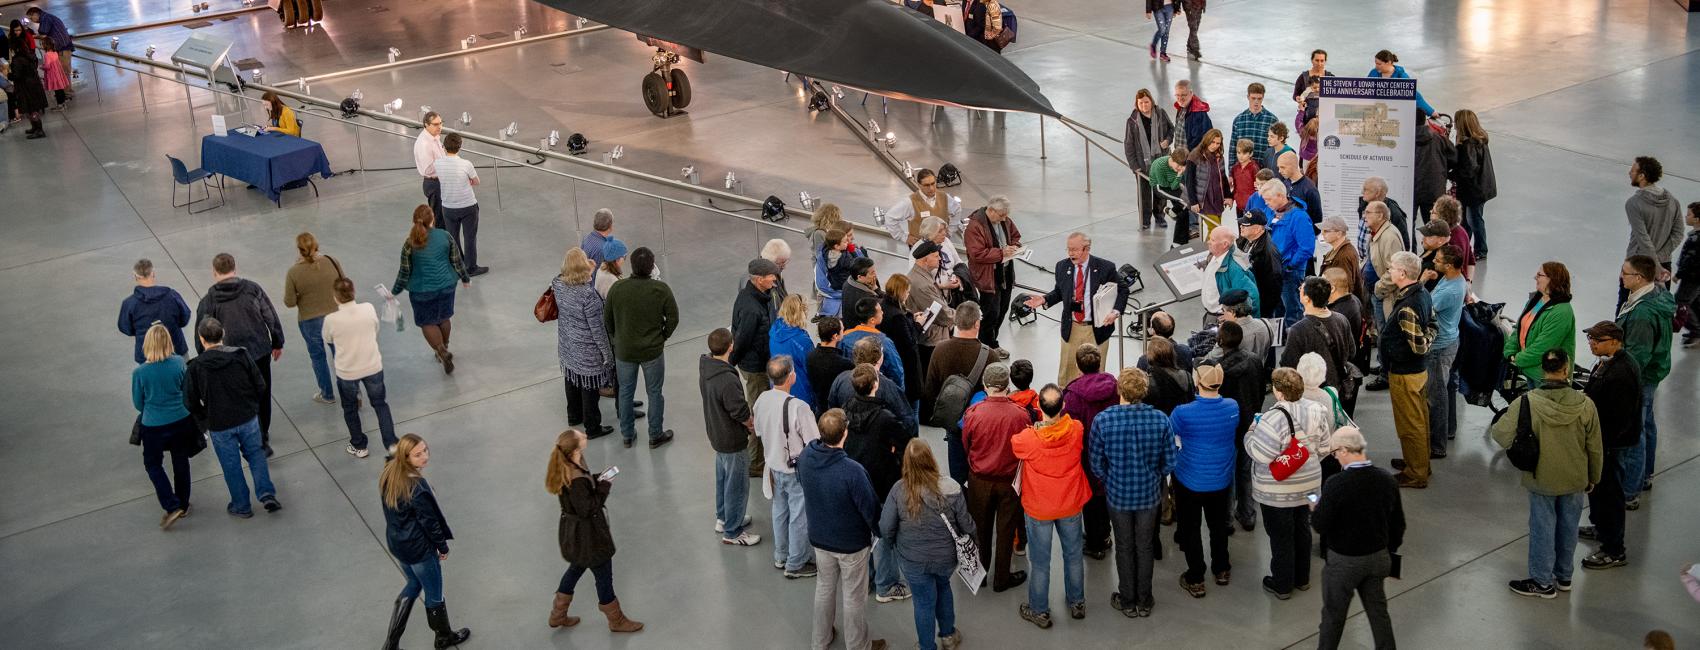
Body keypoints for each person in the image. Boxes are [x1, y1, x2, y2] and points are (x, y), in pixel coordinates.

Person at [1492, 349, 1603, 599]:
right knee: (1568, 527)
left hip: (1541, 477)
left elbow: (1499, 434)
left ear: (1543, 370)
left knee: (1542, 527)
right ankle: (1564, 577)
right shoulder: (1586, 404)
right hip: (1575, 478)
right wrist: (1593, 476)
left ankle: (1542, 582)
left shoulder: (1527, 402)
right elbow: (1595, 446)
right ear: (1566, 370)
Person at [1088, 368, 1176, 616]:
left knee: (1124, 546)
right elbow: (1170, 462)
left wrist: (1111, 478)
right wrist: (1155, 474)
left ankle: (1127, 600)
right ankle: (1145, 600)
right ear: (1144, 391)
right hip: (1149, 495)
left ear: (1120, 390)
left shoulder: (1103, 420)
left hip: (1117, 495)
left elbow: (1096, 463)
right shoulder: (1160, 420)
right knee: (1145, 546)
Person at [798, 408, 889, 650]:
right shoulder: (852, 471)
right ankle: (858, 645)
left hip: (819, 537)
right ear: (845, 433)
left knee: (824, 588)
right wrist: (881, 532)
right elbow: (870, 509)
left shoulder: (806, 456)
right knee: (853, 596)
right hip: (851, 544)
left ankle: (821, 639)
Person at [544, 429, 644, 633]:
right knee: (604, 576)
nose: (584, 436)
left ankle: (558, 614)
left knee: (576, 568)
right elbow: (588, 508)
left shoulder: (569, 464)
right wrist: (605, 485)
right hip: (589, 537)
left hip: (576, 536)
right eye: (580, 437)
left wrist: (597, 479)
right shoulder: (576, 478)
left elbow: (581, 494)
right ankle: (616, 620)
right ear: (575, 448)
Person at [1312, 428, 1403, 650]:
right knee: (1379, 614)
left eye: (1334, 453)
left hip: (1344, 562)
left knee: (1333, 617)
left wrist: (1315, 508)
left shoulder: (1336, 484)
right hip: (1378, 558)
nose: (1335, 458)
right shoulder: (1386, 479)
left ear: (1344, 449)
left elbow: (1320, 525)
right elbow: (1399, 524)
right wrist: (1385, 549)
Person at [378, 434, 471, 649]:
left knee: (413, 583)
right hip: (420, 550)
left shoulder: (389, 474)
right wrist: (442, 546)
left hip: (399, 545)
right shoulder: (416, 487)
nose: (425, 457)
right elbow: (430, 522)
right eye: (418, 454)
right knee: (434, 593)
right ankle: (443, 637)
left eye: (425, 450)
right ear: (406, 457)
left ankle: (391, 642)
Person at [1012, 385, 1093, 628]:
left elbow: (1015, 444)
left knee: (1040, 561)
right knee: (1073, 555)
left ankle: (1039, 610)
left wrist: (1036, 427)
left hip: (1039, 507)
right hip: (1069, 503)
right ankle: (1077, 601)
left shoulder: (1029, 439)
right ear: (1064, 406)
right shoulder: (1076, 429)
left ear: (1038, 408)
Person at [185, 318, 280, 518]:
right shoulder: (241, 355)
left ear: (202, 340)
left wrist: (205, 418)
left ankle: (241, 505)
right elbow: (260, 384)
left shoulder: (195, 367)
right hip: (247, 417)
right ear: (223, 334)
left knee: (231, 465)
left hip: (219, 424)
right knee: (256, 455)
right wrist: (252, 405)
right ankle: (266, 493)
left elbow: (190, 401)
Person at [1245, 368, 1328, 599]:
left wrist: (1250, 433)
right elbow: (1323, 448)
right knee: (1303, 527)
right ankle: (1302, 578)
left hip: (1276, 493)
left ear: (1278, 392)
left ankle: (1282, 583)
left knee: (1281, 536)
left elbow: (1260, 454)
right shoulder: (1316, 409)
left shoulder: (1272, 418)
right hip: (1311, 488)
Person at [880, 439, 971, 650]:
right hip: (946, 558)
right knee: (943, 588)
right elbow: (965, 523)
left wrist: (895, 545)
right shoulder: (950, 487)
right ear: (931, 459)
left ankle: (926, 646)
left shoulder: (899, 490)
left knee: (923, 602)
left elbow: (886, 528)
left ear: (906, 463)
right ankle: (948, 636)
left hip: (912, 560)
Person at [195, 253, 285, 454]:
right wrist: (277, 341)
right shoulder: (253, 289)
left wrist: (204, 358)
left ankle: (250, 437)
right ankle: (263, 437)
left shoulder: (209, 301)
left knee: (241, 398)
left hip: (230, 360)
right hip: (259, 352)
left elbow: (202, 332)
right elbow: (269, 315)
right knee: (262, 394)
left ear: (214, 272)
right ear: (234, 268)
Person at [843, 363, 915, 603]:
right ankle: (887, 584)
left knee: (862, 529)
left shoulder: (845, 410)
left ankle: (868, 580)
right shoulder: (885, 418)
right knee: (884, 531)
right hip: (882, 479)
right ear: (876, 384)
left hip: (855, 477)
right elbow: (905, 441)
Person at [1024, 233, 1130, 386]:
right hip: (1072, 327)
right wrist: (1045, 299)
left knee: (1095, 375)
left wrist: (1115, 312)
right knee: (1067, 374)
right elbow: (1060, 292)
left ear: (1086, 249)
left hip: (1096, 329)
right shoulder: (1062, 266)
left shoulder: (1105, 267)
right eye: (1068, 249)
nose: (1070, 253)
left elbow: (1123, 290)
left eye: (1074, 249)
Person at [1169, 363, 1237, 597]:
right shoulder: (1232, 407)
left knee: (1190, 528)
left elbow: (1172, 436)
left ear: (1198, 383)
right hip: (1221, 477)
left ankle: (1196, 576)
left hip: (1189, 478)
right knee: (1218, 525)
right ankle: (1221, 568)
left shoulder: (1182, 412)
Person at [1577, 321, 1641, 570]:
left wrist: (1598, 445)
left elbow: (1617, 418)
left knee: (1610, 495)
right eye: (1590, 339)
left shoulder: (1621, 373)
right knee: (1598, 491)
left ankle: (1614, 550)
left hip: (1610, 445)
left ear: (1615, 341)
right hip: (1603, 442)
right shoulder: (1609, 362)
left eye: (1597, 339)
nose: (1592, 343)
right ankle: (1600, 527)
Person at [961, 362, 1029, 592]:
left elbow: (966, 444)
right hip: (1010, 481)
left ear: (985, 385)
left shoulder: (974, 413)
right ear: (1007, 385)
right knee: (1006, 528)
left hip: (980, 479)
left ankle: (980, 574)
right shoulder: (1020, 415)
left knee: (980, 528)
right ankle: (1002, 578)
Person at [1615, 255, 1675, 502]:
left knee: (1634, 432)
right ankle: (1645, 474)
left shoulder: (1641, 315)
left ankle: (1630, 491)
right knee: (1647, 423)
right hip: (1655, 371)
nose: (1621, 277)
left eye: (1625, 273)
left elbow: (1637, 356)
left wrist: (1619, 376)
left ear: (1639, 278)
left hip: (1641, 377)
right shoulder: (1656, 295)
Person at [757, 356, 825, 577]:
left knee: (780, 510)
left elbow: (757, 430)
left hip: (774, 467)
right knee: (799, 516)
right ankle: (796, 563)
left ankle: (781, 554)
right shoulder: (798, 407)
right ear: (791, 376)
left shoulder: (762, 400)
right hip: (795, 471)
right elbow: (814, 442)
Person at [605, 246, 677, 445]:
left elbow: (607, 319)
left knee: (626, 392)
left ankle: (627, 434)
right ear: (652, 266)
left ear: (632, 265)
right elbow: (673, 317)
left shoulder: (617, 289)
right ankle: (655, 435)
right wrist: (662, 336)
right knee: (654, 392)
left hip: (624, 350)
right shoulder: (660, 289)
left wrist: (616, 339)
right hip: (652, 351)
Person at [554, 248, 623, 444]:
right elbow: (598, 331)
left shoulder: (558, 283)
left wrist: (586, 271)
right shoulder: (588, 296)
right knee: (589, 388)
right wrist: (608, 356)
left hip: (567, 344)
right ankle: (592, 427)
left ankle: (574, 415)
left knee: (571, 379)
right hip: (587, 351)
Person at [322, 278, 396, 458]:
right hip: (372, 366)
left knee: (350, 407)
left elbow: (328, 339)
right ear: (353, 292)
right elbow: (375, 328)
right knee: (380, 405)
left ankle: (359, 445)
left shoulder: (331, 319)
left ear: (335, 297)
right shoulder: (368, 308)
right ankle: (392, 444)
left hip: (347, 372)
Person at [700, 328, 761, 546]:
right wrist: (751, 425)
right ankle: (733, 531)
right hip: (732, 438)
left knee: (723, 477)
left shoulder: (707, 367)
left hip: (716, 433)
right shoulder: (726, 379)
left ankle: (724, 517)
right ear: (731, 346)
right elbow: (740, 411)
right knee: (737, 483)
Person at [131, 324, 196, 530]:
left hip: (153, 425)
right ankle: (183, 505)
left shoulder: (140, 372)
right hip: (181, 419)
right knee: (180, 460)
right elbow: (185, 389)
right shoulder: (178, 363)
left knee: (153, 464)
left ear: (146, 344)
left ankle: (170, 504)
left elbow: (138, 403)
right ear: (169, 342)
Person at [392, 206, 470, 373]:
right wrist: (465, 278)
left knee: (428, 322)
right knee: (444, 317)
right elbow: (456, 260)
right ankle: (445, 346)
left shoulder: (410, 243)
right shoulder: (445, 235)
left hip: (422, 289)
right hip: (447, 285)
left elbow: (405, 271)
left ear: (415, 220)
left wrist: (394, 291)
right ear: (432, 218)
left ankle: (440, 350)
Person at [1060, 344, 1119, 561]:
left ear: (1078, 365)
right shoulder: (1115, 386)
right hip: (1112, 450)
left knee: (1091, 498)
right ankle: (1104, 534)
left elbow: (1069, 427)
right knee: (1106, 494)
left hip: (1086, 453)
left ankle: (1096, 544)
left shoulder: (1073, 395)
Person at [1380, 252, 1434, 489]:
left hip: (1406, 374)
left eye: (1392, 268)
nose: (1389, 271)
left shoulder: (1407, 307)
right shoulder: (1422, 293)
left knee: (1410, 424)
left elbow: (1420, 346)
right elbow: (1433, 324)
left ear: (1402, 273)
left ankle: (1416, 473)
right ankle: (1418, 462)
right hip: (1417, 372)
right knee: (1419, 419)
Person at [924, 303, 992, 485]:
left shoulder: (940, 350)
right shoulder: (990, 355)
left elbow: (930, 390)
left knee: (957, 473)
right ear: (977, 324)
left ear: (955, 321)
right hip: (980, 424)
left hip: (954, 422)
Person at [1214, 321, 1268, 531]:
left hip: (1228, 429)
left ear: (1220, 341)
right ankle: (1247, 514)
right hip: (1250, 423)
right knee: (1246, 471)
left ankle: (1226, 520)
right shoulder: (1255, 361)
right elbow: (1261, 389)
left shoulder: (1219, 369)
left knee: (1227, 473)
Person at [732, 258, 781, 474]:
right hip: (755, 368)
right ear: (759, 279)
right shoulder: (752, 308)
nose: (775, 280)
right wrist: (731, 363)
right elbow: (742, 340)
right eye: (771, 277)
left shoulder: (758, 295)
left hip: (759, 363)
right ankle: (756, 462)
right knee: (758, 412)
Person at [283, 232, 343, 405]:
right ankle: (352, 393)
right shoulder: (332, 261)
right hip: (335, 315)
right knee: (340, 353)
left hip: (310, 320)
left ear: (299, 250)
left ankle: (327, 394)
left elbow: (289, 302)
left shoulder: (293, 272)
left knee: (318, 357)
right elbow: (343, 283)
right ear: (317, 245)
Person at [1622, 156, 1686, 305]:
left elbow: (1642, 239)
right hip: (1664, 265)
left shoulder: (1633, 203)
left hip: (1637, 267)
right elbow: (1678, 233)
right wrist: (1660, 259)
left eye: (1633, 170)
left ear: (1642, 175)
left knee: (1626, 312)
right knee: (1660, 311)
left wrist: (1654, 266)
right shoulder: (1673, 201)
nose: (1629, 173)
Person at [964, 196, 1023, 349]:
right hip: (988, 277)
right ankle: (986, 346)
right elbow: (976, 254)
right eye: (1001, 215)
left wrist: (1014, 246)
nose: (1004, 219)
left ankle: (992, 343)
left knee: (1002, 309)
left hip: (1005, 274)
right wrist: (1002, 253)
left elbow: (1015, 236)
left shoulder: (1004, 220)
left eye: (1005, 215)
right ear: (991, 210)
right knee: (990, 314)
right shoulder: (975, 226)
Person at [1424, 246, 1466, 459]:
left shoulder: (1450, 290)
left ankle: (1437, 446)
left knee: (1436, 397)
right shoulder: (1454, 279)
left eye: (1438, 261)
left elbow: (1424, 308)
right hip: (1449, 341)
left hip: (1439, 348)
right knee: (1446, 390)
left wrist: (1422, 280)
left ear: (1449, 266)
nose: (1434, 263)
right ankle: (1449, 430)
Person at [1280, 277, 1356, 393]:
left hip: (1313, 390)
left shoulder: (1298, 330)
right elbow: (1352, 351)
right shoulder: (1341, 319)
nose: (1299, 289)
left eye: (1301, 288)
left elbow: (1288, 364)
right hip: (1339, 387)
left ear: (1307, 298)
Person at [1504, 261, 1575, 385]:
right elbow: (1520, 327)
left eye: (1539, 275)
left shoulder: (1562, 312)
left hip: (1546, 378)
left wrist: (1518, 359)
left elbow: (1543, 346)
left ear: (1552, 279)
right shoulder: (1536, 300)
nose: (1535, 278)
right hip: (1530, 369)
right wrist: (1510, 351)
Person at [827, 338, 917, 435]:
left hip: (847, 441)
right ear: (879, 359)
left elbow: (833, 412)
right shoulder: (889, 387)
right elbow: (907, 422)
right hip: (878, 443)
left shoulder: (841, 379)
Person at [119, 259, 192, 364]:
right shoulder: (172, 296)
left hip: (147, 355)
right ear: (153, 273)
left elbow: (125, 328)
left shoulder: (129, 304)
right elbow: (185, 317)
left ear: (135, 277)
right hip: (176, 349)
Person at [1263, 182, 1315, 327]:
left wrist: (1290, 266)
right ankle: (1280, 338)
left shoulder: (1299, 217)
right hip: (1274, 271)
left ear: (1280, 195)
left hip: (1290, 273)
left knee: (1292, 309)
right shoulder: (1271, 212)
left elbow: (1307, 248)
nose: (1266, 203)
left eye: (1268, 199)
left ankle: (1294, 340)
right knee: (1277, 309)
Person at [435, 133, 488, 277]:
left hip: (448, 206)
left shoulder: (437, 163)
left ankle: (457, 266)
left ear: (444, 147)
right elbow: (476, 181)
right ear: (460, 146)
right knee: (470, 237)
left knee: (453, 238)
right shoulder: (466, 164)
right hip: (467, 206)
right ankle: (471, 267)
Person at [908, 241, 960, 377]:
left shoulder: (920, 275)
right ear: (926, 260)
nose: (940, 259)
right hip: (931, 340)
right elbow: (941, 313)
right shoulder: (921, 284)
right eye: (936, 256)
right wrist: (962, 316)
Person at [1363, 202, 1405, 372]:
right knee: (1381, 332)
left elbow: (1396, 268)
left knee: (1385, 334)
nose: (1364, 216)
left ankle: (1386, 373)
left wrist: (1379, 288)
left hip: (1384, 294)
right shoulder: (1376, 233)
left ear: (1380, 215)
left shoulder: (1389, 237)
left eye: (1368, 212)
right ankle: (1383, 364)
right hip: (1377, 293)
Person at [1450, 109, 1497, 259]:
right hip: (1482, 187)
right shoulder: (1480, 140)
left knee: (1473, 220)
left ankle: (1480, 250)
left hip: (1473, 190)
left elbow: (1468, 170)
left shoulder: (1467, 145)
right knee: (1469, 220)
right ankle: (1464, 248)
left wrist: (1450, 174)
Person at [1127, 89, 1177, 225]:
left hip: (1161, 160)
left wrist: (1167, 140)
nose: (1144, 105)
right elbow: (1129, 145)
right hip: (1142, 164)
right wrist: (1134, 166)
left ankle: (1160, 216)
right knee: (1144, 194)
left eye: (1146, 102)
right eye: (1141, 103)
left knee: (1161, 191)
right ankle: (1145, 220)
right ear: (1137, 104)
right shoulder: (1132, 121)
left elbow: (1172, 129)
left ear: (1151, 101)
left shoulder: (1160, 113)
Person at [883, 168, 962, 247]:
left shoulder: (944, 197)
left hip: (942, 245)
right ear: (919, 185)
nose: (931, 188)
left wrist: (950, 232)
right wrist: (903, 237)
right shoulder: (911, 202)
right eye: (926, 185)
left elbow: (957, 210)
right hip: (921, 249)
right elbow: (890, 217)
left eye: (933, 183)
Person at [844, 298, 908, 390]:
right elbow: (896, 372)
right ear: (872, 320)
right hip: (877, 387)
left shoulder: (846, 336)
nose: (882, 312)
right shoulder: (884, 342)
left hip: (852, 384)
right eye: (880, 311)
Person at [770, 295, 820, 411]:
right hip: (801, 393)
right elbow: (811, 368)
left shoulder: (774, 330)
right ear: (801, 312)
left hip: (779, 389)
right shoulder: (801, 340)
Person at [1184, 128, 1232, 240]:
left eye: (1218, 143)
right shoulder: (1194, 155)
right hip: (1203, 201)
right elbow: (1189, 181)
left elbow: (1223, 178)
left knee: (1215, 230)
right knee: (1215, 229)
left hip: (1217, 200)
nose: (1215, 145)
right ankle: (1209, 255)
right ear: (1207, 140)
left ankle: (1210, 254)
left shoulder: (1219, 157)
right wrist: (1193, 201)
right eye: (1213, 142)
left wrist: (1228, 196)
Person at [1201, 227, 1260, 319]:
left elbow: (1252, 296)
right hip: (1212, 314)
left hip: (1222, 318)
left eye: (1212, 240)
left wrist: (1235, 317)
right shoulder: (1215, 255)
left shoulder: (1235, 268)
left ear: (1225, 244)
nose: (1208, 242)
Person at [1238, 208, 1285, 319]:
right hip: (1249, 295)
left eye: (1245, 225)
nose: (1241, 227)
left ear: (1258, 229)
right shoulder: (1245, 239)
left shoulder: (1269, 253)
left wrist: (1264, 309)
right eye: (1241, 223)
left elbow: (1274, 285)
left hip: (1261, 303)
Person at [6, 22, 48, 139]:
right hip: (32, 83)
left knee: (32, 109)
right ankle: (35, 127)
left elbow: (17, 76)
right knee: (32, 108)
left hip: (26, 86)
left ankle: (39, 130)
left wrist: (8, 75)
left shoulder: (17, 60)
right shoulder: (30, 55)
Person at [1368, 50, 1435, 119]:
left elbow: (1414, 95)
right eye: (1376, 63)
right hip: (1378, 111)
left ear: (1389, 62)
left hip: (1396, 112)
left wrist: (1431, 112)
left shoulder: (1401, 76)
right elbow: (1366, 90)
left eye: (1379, 64)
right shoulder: (1373, 73)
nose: (1376, 66)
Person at [807, 317, 855, 411]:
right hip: (837, 410)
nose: (844, 332)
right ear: (835, 336)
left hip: (819, 407)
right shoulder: (844, 364)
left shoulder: (810, 356)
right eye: (842, 330)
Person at [1412, 120, 1454, 224]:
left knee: (1408, 222)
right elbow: (1454, 158)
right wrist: (1442, 170)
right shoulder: (1440, 139)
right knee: (1434, 223)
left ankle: (1411, 241)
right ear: (1425, 121)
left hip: (1410, 189)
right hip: (1434, 187)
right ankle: (1433, 240)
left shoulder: (1404, 140)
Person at [1319, 217, 1366, 308]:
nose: (1322, 233)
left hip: (1340, 307)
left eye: (1326, 231)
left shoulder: (1344, 256)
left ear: (1339, 234)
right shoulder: (1338, 251)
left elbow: (1345, 287)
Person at [1232, 83, 1280, 168]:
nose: (1256, 102)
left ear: (1263, 98)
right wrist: (1231, 171)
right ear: (1248, 97)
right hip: (1243, 170)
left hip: (1264, 171)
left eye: (1259, 98)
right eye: (1253, 98)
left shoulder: (1273, 120)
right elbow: (1233, 147)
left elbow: (1277, 147)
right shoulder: (1238, 120)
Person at [1142, 337, 1194, 416]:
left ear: (1150, 356)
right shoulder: (1186, 376)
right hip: (1182, 420)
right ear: (1172, 354)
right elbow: (1191, 401)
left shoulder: (1148, 381)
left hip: (1160, 422)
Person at [1357, 178, 1410, 255]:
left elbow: (1404, 243)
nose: (1362, 192)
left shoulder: (1394, 213)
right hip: (1365, 260)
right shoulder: (1364, 204)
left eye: (1365, 189)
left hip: (1380, 261)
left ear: (1377, 193)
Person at [413, 111, 447, 227]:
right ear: (426, 125)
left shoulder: (434, 137)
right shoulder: (424, 143)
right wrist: (446, 164)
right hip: (434, 183)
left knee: (444, 217)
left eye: (441, 123)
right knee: (439, 219)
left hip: (440, 181)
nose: (440, 127)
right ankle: (440, 242)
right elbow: (428, 169)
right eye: (436, 124)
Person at [1146, 149, 1189, 231]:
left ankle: (1172, 212)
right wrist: (1178, 178)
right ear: (1172, 160)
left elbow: (1173, 186)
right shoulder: (1160, 165)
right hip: (1159, 187)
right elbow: (1163, 184)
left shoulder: (1178, 168)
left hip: (1171, 185)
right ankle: (1172, 214)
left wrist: (1179, 175)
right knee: (1184, 199)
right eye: (1178, 165)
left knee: (1189, 197)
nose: (1180, 168)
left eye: (1182, 166)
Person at [1679, 202, 1700, 346]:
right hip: (1695, 277)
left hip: (1691, 277)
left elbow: (1690, 260)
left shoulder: (1696, 239)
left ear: (1697, 219)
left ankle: (1696, 331)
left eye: (1689, 214)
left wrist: (1678, 274)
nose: (1686, 217)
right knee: (1695, 302)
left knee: (1681, 301)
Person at [1173, 80, 1213, 150]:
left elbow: (1200, 139)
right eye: (1177, 95)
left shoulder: (1199, 113)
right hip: (1180, 154)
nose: (1180, 98)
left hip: (1191, 157)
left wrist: (1189, 155)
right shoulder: (1182, 107)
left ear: (1191, 93)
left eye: (1183, 95)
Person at [842, 258, 882, 326]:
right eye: (872, 273)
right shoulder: (866, 297)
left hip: (848, 325)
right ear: (860, 277)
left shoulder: (847, 283)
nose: (875, 274)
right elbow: (886, 306)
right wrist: (876, 289)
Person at [1292, 49, 1333, 116]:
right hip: (1306, 115)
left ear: (1325, 61)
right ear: (1312, 60)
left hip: (1326, 115)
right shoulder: (1303, 77)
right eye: (1317, 60)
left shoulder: (1330, 77)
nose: (1319, 64)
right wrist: (1297, 98)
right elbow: (1295, 94)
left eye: (1322, 61)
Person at [1231, 138, 1261, 214]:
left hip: (1252, 207)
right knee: (1240, 226)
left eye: (1244, 153)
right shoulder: (1235, 168)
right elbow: (1235, 187)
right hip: (1239, 206)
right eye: (1239, 153)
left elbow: (1259, 188)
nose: (1241, 156)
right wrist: (1232, 198)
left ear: (1251, 154)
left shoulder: (1254, 168)